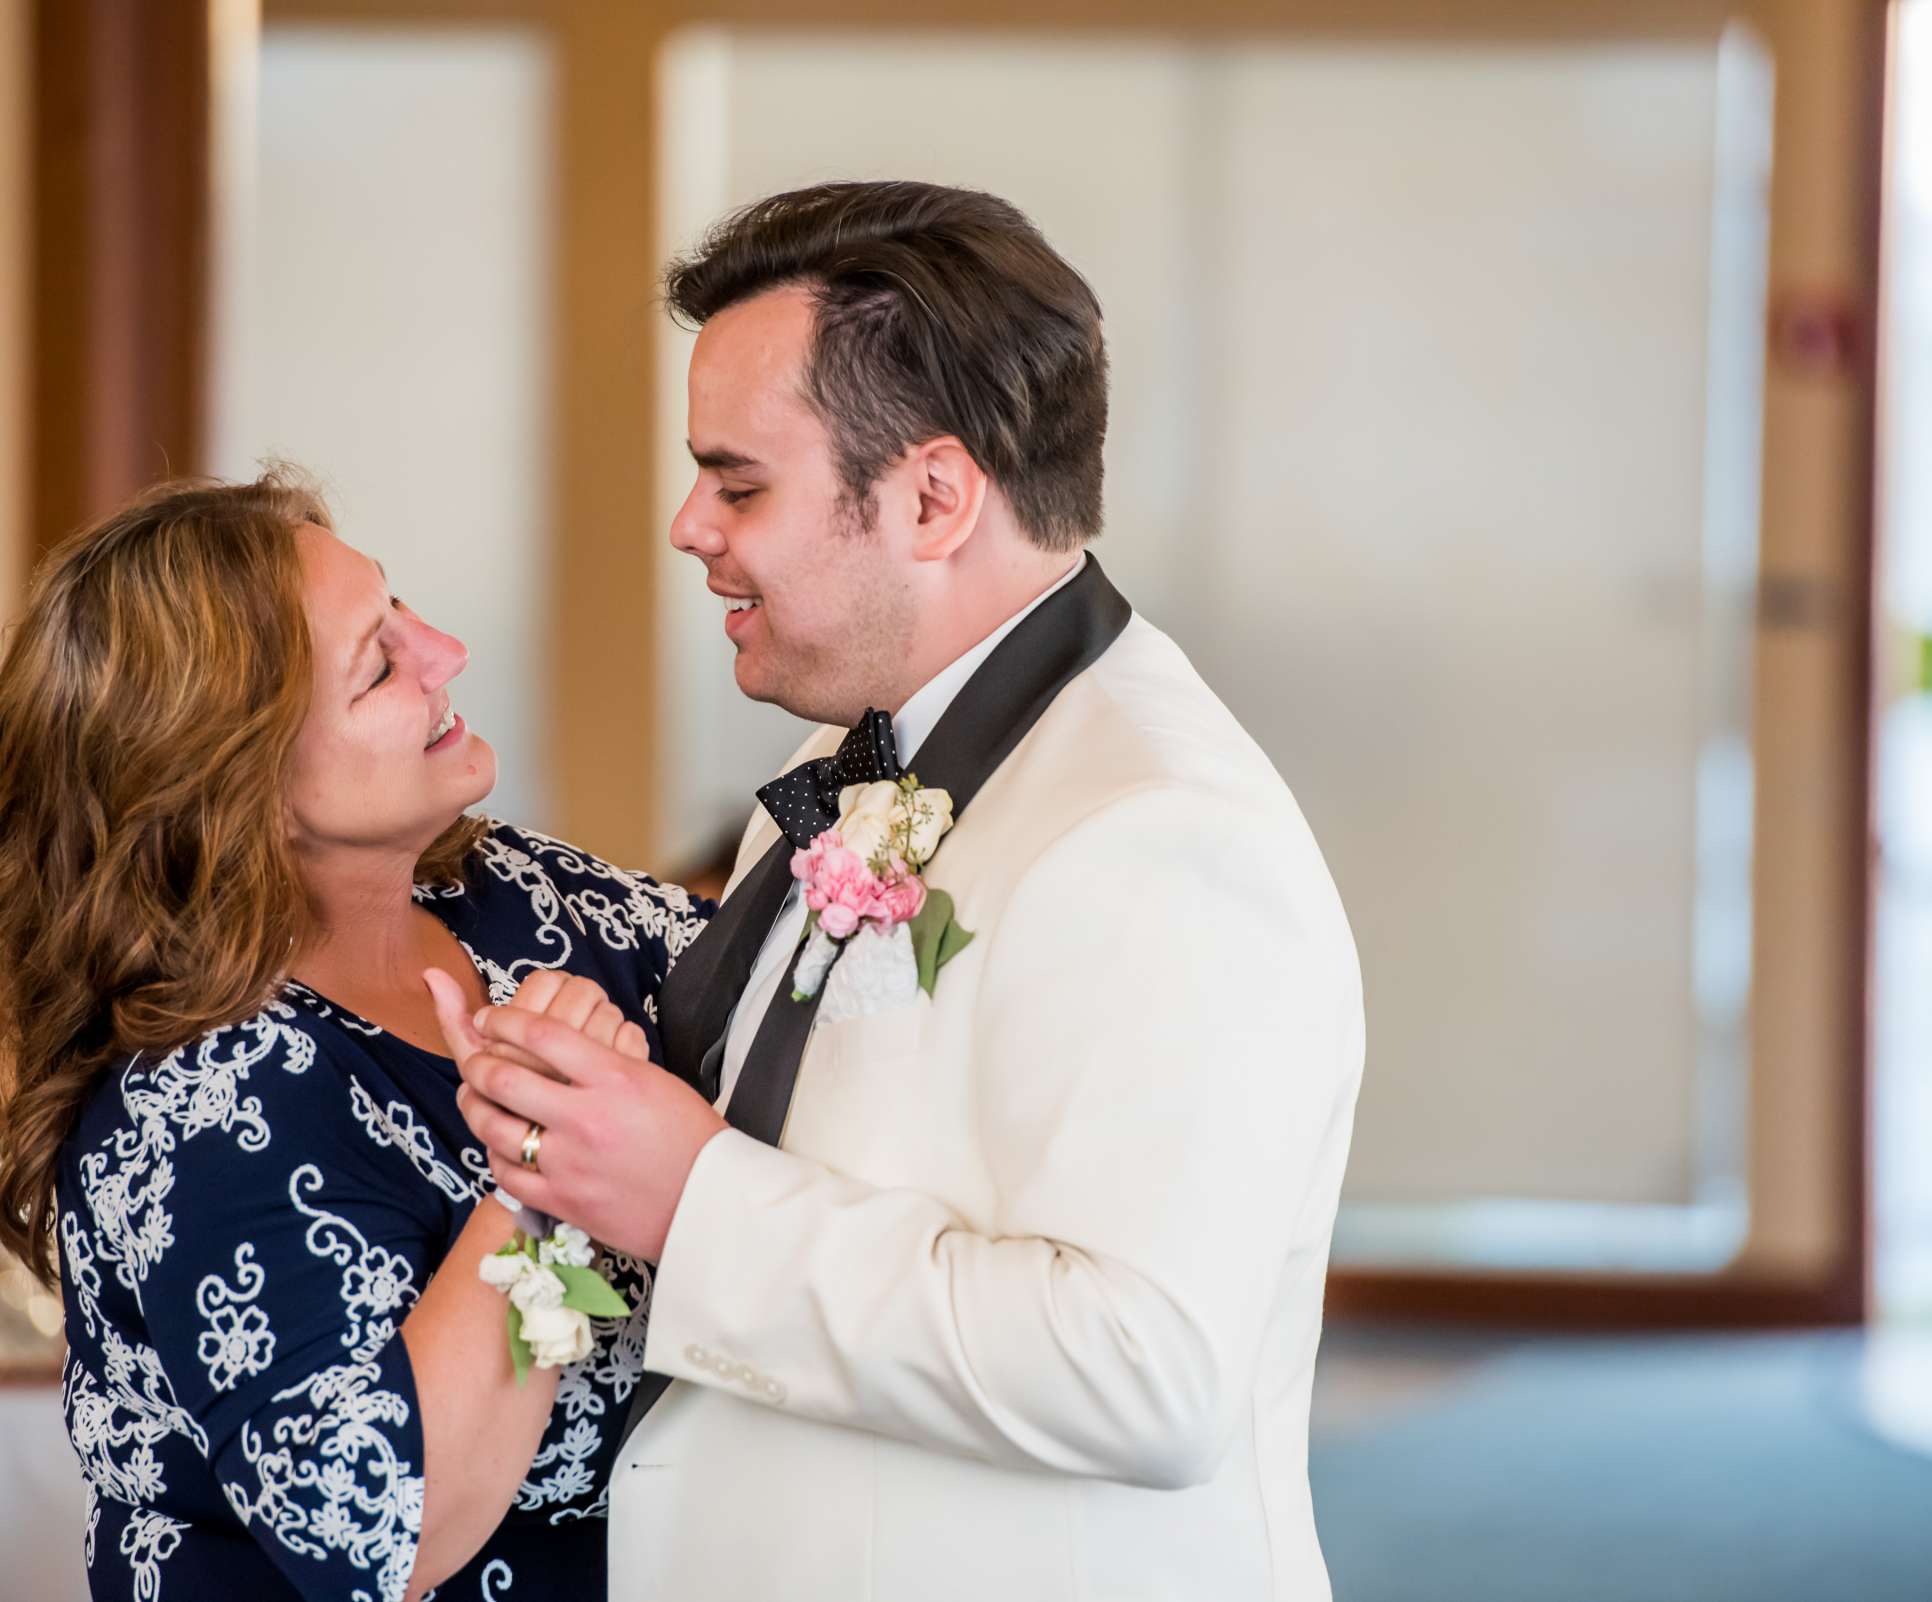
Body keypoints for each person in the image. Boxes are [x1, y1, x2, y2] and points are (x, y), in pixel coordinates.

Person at [449, 180, 1367, 1601]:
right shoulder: (850, 759)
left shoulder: (1162, 827)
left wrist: (692, 1196)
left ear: (935, 496)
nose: (690, 524)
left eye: (740, 481)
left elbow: (1150, 1370)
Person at [0, 472, 709, 1602]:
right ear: (244, 787)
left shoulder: (513, 891)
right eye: (379, 663)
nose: (447, 651)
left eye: (402, 610)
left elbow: (781, 1017)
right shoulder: (197, 1107)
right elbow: (382, 1530)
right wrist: (538, 1180)